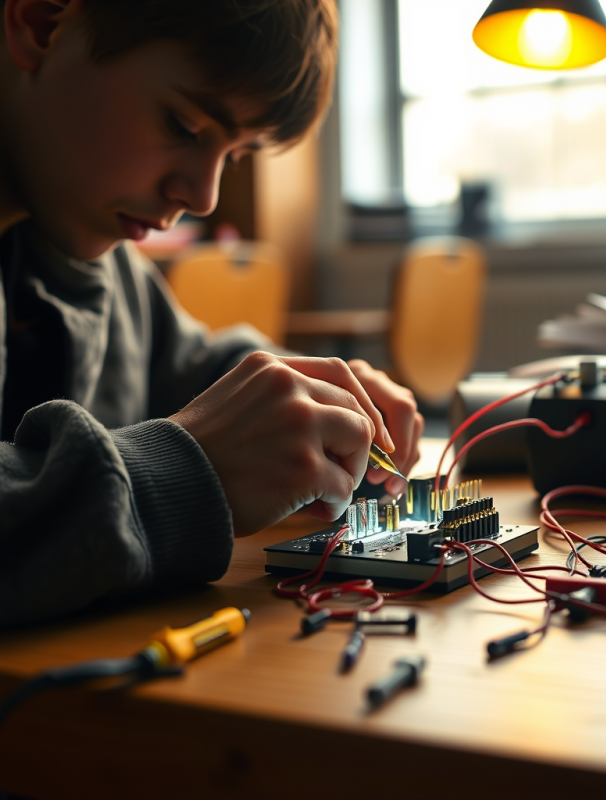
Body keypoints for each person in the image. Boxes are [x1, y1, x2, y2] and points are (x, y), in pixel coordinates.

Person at [0, 0, 424, 627]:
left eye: (236, 155)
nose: (202, 196)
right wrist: (184, 476)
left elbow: (188, 366)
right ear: (41, 23)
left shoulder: (88, 247)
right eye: (181, 124)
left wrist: (307, 398)